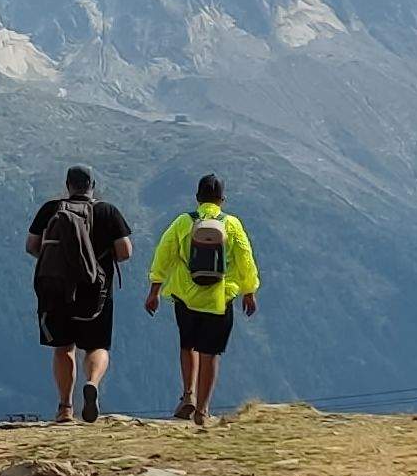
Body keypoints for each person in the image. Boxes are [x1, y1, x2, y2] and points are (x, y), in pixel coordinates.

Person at [144, 174, 259, 424]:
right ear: (222, 199)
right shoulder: (232, 225)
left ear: (197, 198)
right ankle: (203, 409)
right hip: (219, 299)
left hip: (185, 297)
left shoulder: (183, 222)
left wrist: (154, 290)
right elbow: (245, 259)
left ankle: (188, 395)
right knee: (210, 353)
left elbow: (164, 254)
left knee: (188, 345)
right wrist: (249, 292)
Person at [26, 166, 134, 423]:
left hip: (56, 291)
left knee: (63, 348)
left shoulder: (51, 209)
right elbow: (125, 252)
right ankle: (92, 383)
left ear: (68, 185)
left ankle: (65, 408)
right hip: (95, 292)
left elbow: (31, 246)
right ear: (92, 185)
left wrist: (58, 263)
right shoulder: (107, 211)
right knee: (97, 346)